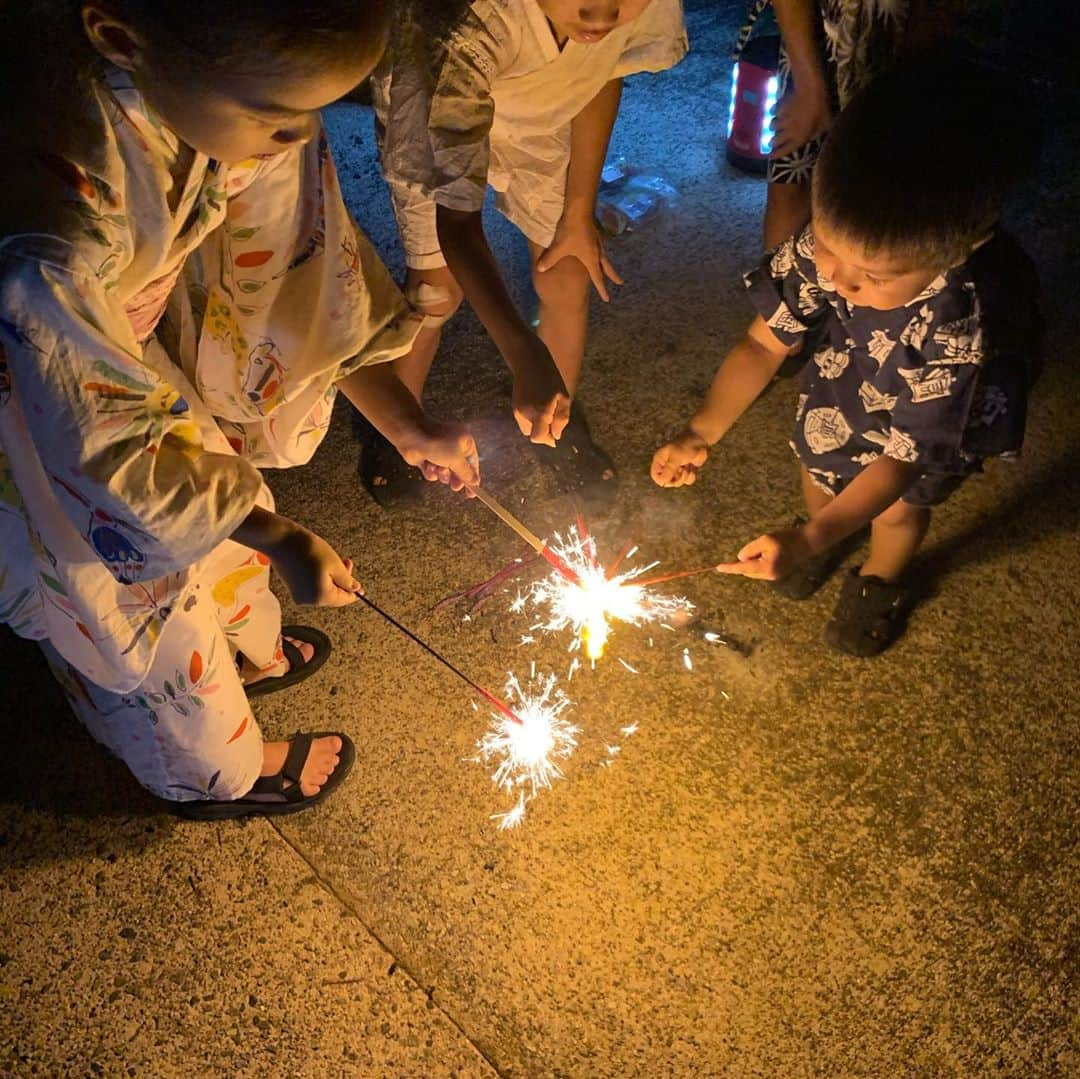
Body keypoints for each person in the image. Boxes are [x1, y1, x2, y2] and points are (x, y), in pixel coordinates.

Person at [0, 1, 479, 818]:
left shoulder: (229, 84)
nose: (298, 137)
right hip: (40, 418)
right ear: (121, 34)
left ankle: (246, 650)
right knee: (134, 602)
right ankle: (207, 771)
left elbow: (294, 279)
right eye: (279, 118)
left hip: (116, 374)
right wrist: (282, 535)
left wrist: (403, 421)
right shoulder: (54, 224)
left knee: (223, 509)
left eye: (319, 110)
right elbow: (111, 457)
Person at [652, 56, 1041, 656]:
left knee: (894, 515)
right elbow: (763, 341)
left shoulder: (958, 321)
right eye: (826, 246)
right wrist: (700, 430)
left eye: (874, 276)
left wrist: (806, 540)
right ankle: (826, 534)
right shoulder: (839, 243)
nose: (835, 280)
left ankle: (878, 580)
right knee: (817, 459)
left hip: (917, 431)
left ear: (962, 248)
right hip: (848, 380)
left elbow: (903, 461)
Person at [361, 0, 688, 510]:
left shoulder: (626, 15)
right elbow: (458, 221)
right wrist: (523, 352)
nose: (601, 16)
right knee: (434, 292)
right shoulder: (467, 30)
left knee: (567, 270)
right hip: (433, 96)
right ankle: (401, 426)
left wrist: (579, 211)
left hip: (545, 113)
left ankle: (555, 422)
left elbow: (604, 72)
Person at [736, 0, 953, 249]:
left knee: (887, 193)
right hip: (822, 33)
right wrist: (809, 87)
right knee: (791, 181)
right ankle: (777, 283)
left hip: (904, 38)